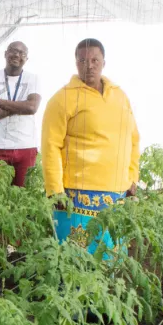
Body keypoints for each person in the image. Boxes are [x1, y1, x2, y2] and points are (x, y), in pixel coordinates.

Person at [39, 39, 140, 256]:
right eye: (83, 60)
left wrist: (132, 176)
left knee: (111, 259)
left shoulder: (120, 96)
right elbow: (50, 146)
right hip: (76, 196)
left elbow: (133, 138)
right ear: (76, 63)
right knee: (76, 263)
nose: (89, 65)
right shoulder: (62, 99)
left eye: (95, 60)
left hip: (117, 194)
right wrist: (55, 191)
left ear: (104, 62)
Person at [0, 41, 41, 187]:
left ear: (26, 59)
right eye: (13, 51)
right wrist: (20, 106)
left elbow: (32, 107)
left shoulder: (33, 78)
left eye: (22, 53)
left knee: (23, 198)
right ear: (5, 54)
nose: (17, 55)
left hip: (26, 147)